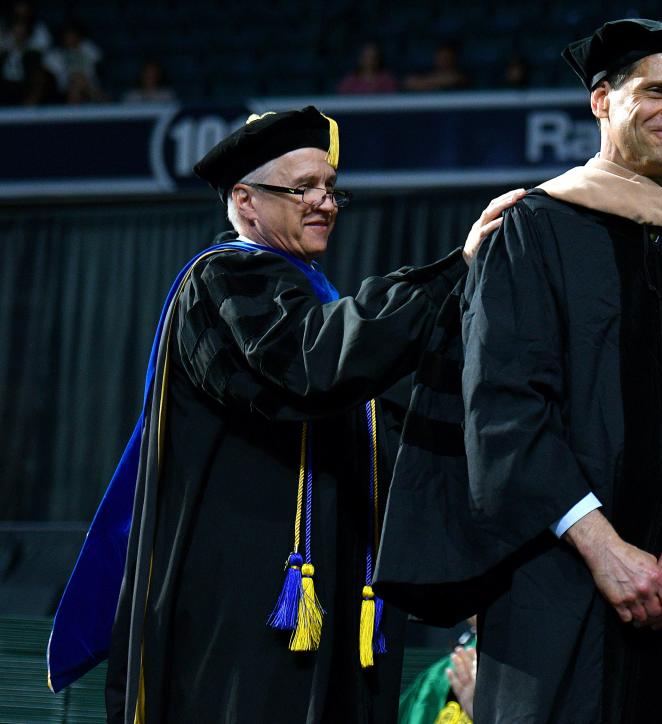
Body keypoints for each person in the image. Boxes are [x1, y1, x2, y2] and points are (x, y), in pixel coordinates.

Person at [376, 18, 662, 723]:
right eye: (658, 89)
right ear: (601, 99)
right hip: (561, 584)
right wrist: (604, 548)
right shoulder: (535, 230)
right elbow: (506, 409)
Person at [46, 106, 522, 723]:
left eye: (330, 189)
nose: (325, 202)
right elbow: (313, 367)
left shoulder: (309, 298)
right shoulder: (222, 283)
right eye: (303, 188)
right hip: (241, 601)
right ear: (245, 200)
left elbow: (381, 428)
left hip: (330, 596)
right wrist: (452, 273)